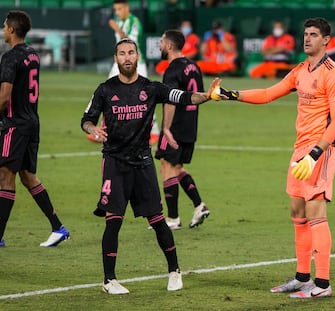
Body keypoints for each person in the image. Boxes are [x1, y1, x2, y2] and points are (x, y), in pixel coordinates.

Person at [213, 17, 335, 299]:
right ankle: (302, 277)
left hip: (322, 148)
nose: (307, 38)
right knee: (297, 212)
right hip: (301, 149)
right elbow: (267, 93)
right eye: (305, 34)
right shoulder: (300, 70)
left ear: (326, 41)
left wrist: (315, 153)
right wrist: (230, 94)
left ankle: (322, 284)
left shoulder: (333, 74)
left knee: (315, 213)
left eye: (313, 34)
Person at [80, 38, 218, 294]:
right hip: (114, 163)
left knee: (157, 220)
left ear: (138, 56)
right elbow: (86, 119)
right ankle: (109, 280)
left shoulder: (151, 88)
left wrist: (207, 96)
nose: (127, 57)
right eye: (122, 54)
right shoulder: (104, 90)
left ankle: (175, 272)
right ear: (116, 58)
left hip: (142, 163)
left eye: (131, 52)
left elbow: (184, 96)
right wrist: (94, 128)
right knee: (113, 221)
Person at [0, 10, 70, 248]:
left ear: (11, 29)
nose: (3, 29)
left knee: (5, 176)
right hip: (32, 122)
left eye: (4, 25)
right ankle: (58, 227)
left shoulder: (10, 58)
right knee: (28, 177)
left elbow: (4, 98)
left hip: (15, 124)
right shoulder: (33, 55)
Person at [154, 29, 209, 230]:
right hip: (190, 124)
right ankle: (199, 205)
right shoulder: (194, 67)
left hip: (175, 125)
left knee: (166, 166)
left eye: (161, 42)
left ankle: (173, 219)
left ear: (169, 46)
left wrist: (166, 128)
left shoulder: (172, 70)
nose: (159, 45)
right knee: (177, 168)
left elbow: (170, 100)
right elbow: (200, 96)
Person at [87, 0, 160, 144]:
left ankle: (154, 131)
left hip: (136, 64)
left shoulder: (134, 22)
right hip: (119, 64)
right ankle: (101, 130)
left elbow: (128, 43)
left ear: (127, 8)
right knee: (105, 92)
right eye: (116, 10)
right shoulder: (118, 21)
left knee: (145, 96)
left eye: (120, 9)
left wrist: (117, 30)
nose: (117, 13)